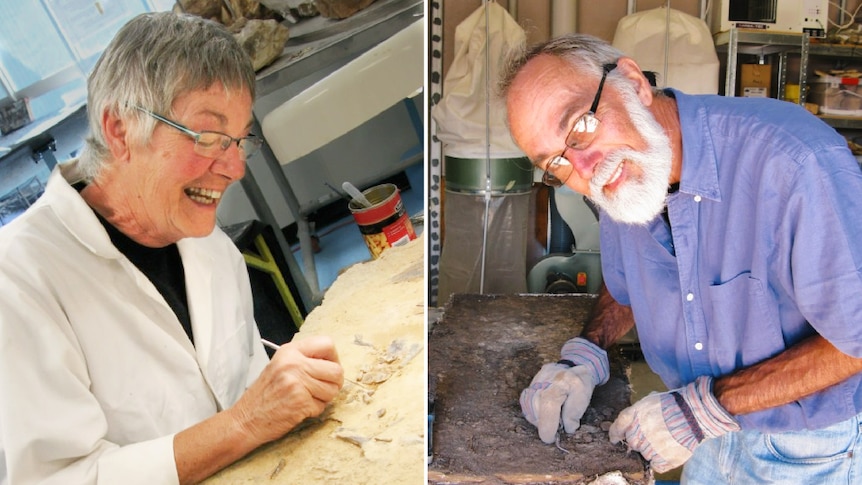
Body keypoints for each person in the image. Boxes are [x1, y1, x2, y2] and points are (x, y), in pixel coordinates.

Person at [500, 33, 862, 483]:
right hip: (701, 432)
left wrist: (706, 409)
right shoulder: (621, 175)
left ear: (633, 83)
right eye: (555, 163)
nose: (585, 167)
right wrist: (585, 353)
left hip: (802, 447)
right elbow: (631, 278)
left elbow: (857, 340)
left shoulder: (793, 160)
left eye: (581, 127)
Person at [0, 12, 344, 484]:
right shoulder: (17, 279)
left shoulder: (207, 246)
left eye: (240, 140)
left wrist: (284, 389)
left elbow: (241, 376)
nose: (234, 168)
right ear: (120, 130)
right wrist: (244, 423)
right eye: (208, 137)